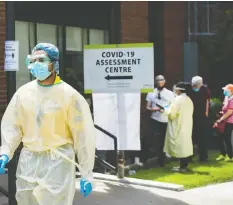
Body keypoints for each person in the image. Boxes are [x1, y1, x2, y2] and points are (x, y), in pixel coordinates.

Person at [0, 43, 96, 205]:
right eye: (33, 60)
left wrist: (87, 173)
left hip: (58, 162)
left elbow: (83, 136)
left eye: (41, 60)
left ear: (53, 63)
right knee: (25, 200)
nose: (36, 64)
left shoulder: (69, 96)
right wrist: (5, 152)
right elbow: (13, 126)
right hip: (28, 161)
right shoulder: (23, 93)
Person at [142, 75, 174, 166]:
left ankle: (161, 161)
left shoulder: (170, 93)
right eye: (158, 82)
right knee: (148, 137)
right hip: (154, 118)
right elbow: (147, 107)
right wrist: (153, 109)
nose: (160, 84)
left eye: (162, 82)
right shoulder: (151, 92)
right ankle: (144, 159)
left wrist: (165, 109)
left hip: (165, 120)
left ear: (164, 82)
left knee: (162, 140)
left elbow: (172, 107)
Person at [164, 82, 194, 172]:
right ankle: (183, 166)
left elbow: (172, 114)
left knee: (180, 146)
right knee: (185, 145)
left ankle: (182, 168)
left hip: (178, 126)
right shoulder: (188, 99)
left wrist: (165, 108)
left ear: (179, 89)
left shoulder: (177, 100)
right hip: (187, 125)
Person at [190, 76, 210, 162]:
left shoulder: (204, 89)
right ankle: (190, 156)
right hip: (192, 115)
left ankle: (203, 156)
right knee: (192, 136)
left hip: (201, 116)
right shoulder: (190, 89)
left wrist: (206, 112)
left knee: (203, 137)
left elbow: (207, 101)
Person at [213, 84, 233, 162]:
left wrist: (221, 119)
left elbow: (230, 112)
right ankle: (223, 154)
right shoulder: (226, 98)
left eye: (226, 90)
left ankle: (230, 156)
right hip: (223, 120)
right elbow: (224, 109)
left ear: (231, 91)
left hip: (230, 121)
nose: (224, 91)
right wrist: (220, 113)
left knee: (227, 138)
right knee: (220, 137)